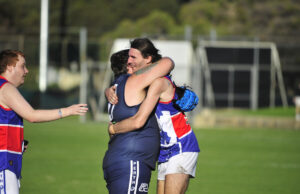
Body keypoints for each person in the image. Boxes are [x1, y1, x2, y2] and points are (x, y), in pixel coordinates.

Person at [106, 40, 200, 194]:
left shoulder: (158, 83)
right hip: (165, 151)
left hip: (181, 146)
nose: (130, 63)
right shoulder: (148, 83)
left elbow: (139, 120)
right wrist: (108, 90)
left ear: (148, 59)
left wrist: (113, 128)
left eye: (134, 58)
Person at [0, 49, 88, 194]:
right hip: (4, 164)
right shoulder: (6, 88)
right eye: (22, 66)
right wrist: (67, 111)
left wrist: (16, 142)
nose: (26, 71)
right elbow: (32, 115)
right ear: (10, 67)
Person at [102, 38, 175, 194]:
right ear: (128, 66)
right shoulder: (134, 81)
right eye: (130, 59)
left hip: (119, 159)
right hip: (131, 161)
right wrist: (114, 129)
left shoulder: (116, 87)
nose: (131, 61)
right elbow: (168, 62)